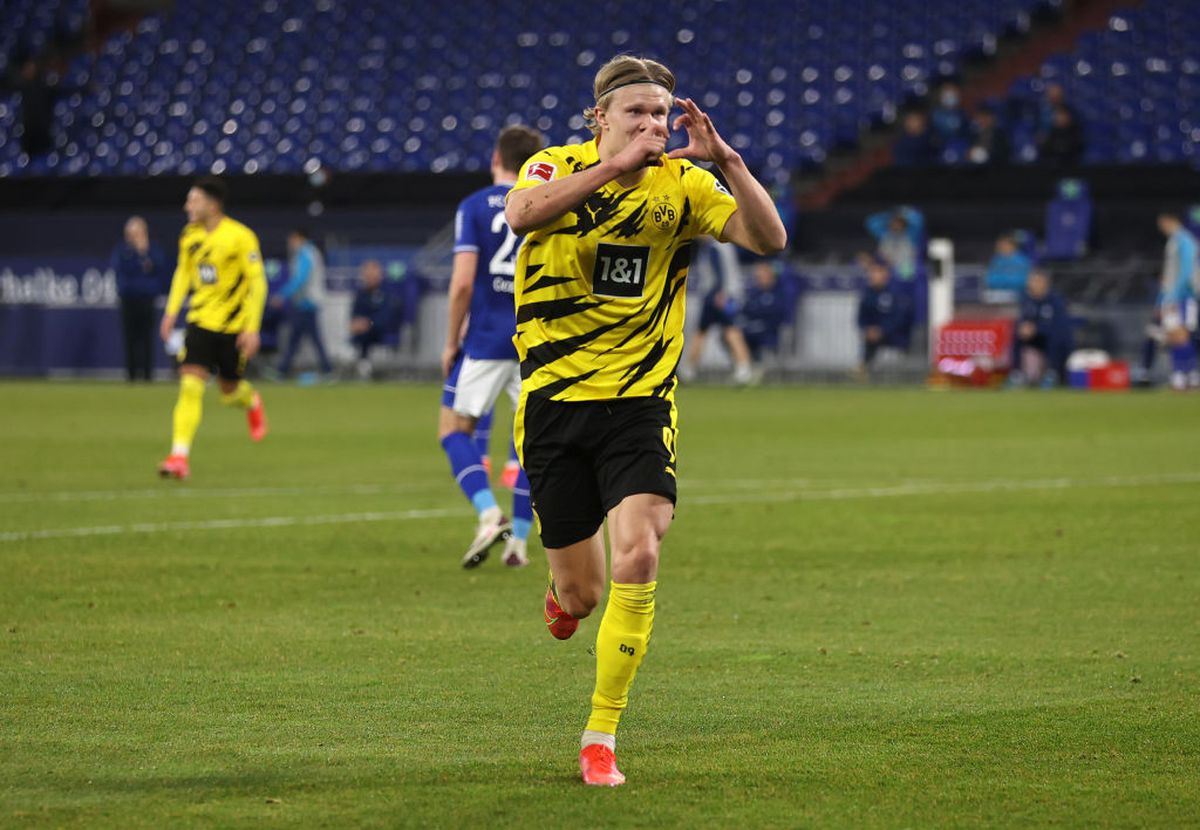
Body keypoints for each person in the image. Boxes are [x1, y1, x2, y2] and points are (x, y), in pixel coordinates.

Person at [504, 54, 786, 786]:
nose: (653, 127)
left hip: (639, 404)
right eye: (637, 113)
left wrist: (731, 164)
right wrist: (614, 166)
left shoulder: (685, 186)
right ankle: (562, 598)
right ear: (598, 118)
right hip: (554, 408)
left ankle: (601, 732)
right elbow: (522, 215)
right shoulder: (552, 166)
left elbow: (769, 240)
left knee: (641, 554)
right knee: (584, 595)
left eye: (661, 115)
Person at [439, 125, 546, 569]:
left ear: (495, 158)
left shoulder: (473, 206)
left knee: (453, 429)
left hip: (483, 339)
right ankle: (518, 544)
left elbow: (463, 282)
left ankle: (488, 513)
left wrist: (450, 341)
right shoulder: (546, 201)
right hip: (535, 342)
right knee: (534, 447)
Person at [157, 177, 268, 479]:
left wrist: (252, 327)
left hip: (234, 328)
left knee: (230, 394)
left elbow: (258, 282)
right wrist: (170, 312)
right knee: (190, 386)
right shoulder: (189, 236)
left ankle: (252, 401)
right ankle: (179, 457)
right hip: (200, 321)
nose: (187, 206)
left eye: (193, 200)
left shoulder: (240, 237)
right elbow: (183, 272)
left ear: (212, 204)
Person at [678, 239, 753, 383]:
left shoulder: (713, 247)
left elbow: (718, 272)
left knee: (723, 330)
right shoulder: (726, 246)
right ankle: (743, 368)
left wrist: (718, 293)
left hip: (717, 296)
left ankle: (689, 370)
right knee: (716, 330)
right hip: (726, 294)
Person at [111, 216, 169, 381]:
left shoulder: (153, 249)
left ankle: (147, 375)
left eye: (137, 232)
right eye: (130, 233)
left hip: (147, 300)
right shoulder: (122, 250)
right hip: (128, 300)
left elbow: (157, 267)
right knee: (130, 338)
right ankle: (131, 375)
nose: (133, 236)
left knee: (146, 338)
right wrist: (140, 262)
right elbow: (122, 269)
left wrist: (143, 253)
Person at [275, 228, 333, 378]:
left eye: (292, 239)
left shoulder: (306, 253)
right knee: (300, 339)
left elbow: (300, 279)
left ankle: (282, 371)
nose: (290, 243)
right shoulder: (309, 252)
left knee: (305, 339)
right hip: (306, 302)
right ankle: (283, 370)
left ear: (300, 238)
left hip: (307, 302)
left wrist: (282, 295)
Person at [1155, 212, 1198, 390]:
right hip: (1170, 296)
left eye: (1163, 223)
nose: (1161, 227)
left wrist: (1174, 296)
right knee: (1173, 336)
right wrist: (1160, 301)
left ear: (1172, 220)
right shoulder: (1173, 241)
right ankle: (1179, 376)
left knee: (1181, 336)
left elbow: (1186, 271)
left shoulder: (1185, 240)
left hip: (1183, 297)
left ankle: (1192, 375)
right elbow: (1168, 275)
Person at [1009, 269, 1073, 387]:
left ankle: (1052, 374)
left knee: (1055, 339)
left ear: (1045, 283)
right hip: (1036, 338)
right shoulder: (1028, 301)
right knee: (1017, 335)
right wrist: (1024, 328)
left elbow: (1059, 327)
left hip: (1056, 339)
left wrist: (1036, 329)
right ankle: (1017, 374)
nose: (1034, 285)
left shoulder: (1055, 301)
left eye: (1037, 281)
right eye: (1032, 281)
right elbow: (1023, 320)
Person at [857, 258, 914, 372]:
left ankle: (864, 368)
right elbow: (861, 317)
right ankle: (863, 369)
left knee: (879, 339)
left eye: (876, 272)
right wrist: (867, 329)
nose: (872, 275)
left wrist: (882, 330)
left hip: (896, 335)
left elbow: (900, 318)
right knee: (870, 340)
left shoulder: (896, 293)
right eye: (871, 272)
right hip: (874, 337)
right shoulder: (867, 294)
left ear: (885, 274)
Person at [348, 259, 401, 379]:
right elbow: (355, 313)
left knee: (367, 331)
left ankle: (365, 366)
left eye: (372, 274)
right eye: (367, 275)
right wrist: (355, 323)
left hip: (382, 329)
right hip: (364, 331)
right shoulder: (361, 294)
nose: (369, 277)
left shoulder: (387, 293)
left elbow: (388, 316)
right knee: (361, 333)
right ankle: (364, 366)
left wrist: (369, 323)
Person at [739, 259, 789, 364]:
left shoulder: (778, 292)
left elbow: (777, 316)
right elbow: (745, 311)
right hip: (750, 330)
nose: (759, 279)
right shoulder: (754, 293)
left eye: (761, 275)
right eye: (757, 276)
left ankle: (761, 367)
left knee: (765, 338)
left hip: (768, 331)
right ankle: (743, 366)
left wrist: (758, 323)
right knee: (733, 335)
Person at [865, 206, 924, 282]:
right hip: (887, 267)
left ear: (904, 224)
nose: (897, 225)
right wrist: (889, 215)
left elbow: (919, 220)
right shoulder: (884, 235)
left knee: (908, 276)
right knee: (876, 274)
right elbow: (871, 222)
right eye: (894, 222)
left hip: (905, 267)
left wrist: (905, 213)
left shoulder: (910, 235)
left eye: (899, 223)